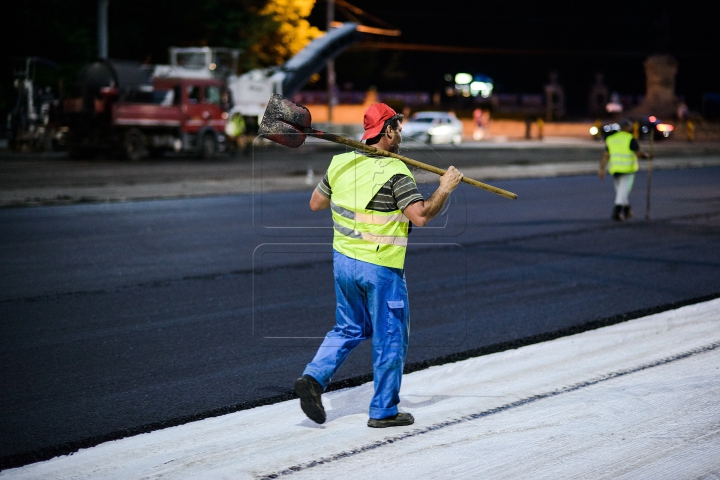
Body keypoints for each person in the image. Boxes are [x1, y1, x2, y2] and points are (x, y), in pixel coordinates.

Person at [294, 103, 464, 428]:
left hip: (344, 264)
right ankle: (384, 410)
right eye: (398, 129)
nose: (400, 134)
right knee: (390, 337)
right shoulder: (397, 172)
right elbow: (422, 216)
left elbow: (316, 203)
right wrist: (445, 188)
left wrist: (352, 188)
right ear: (387, 131)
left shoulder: (340, 162)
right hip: (381, 269)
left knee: (348, 327)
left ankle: (314, 378)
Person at [598, 119, 651, 220]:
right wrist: (648, 156)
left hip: (615, 168)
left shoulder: (611, 139)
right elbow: (639, 154)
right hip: (627, 169)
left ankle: (627, 210)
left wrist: (601, 169)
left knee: (621, 190)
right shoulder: (630, 139)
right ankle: (617, 212)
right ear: (627, 127)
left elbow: (605, 155)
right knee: (623, 190)